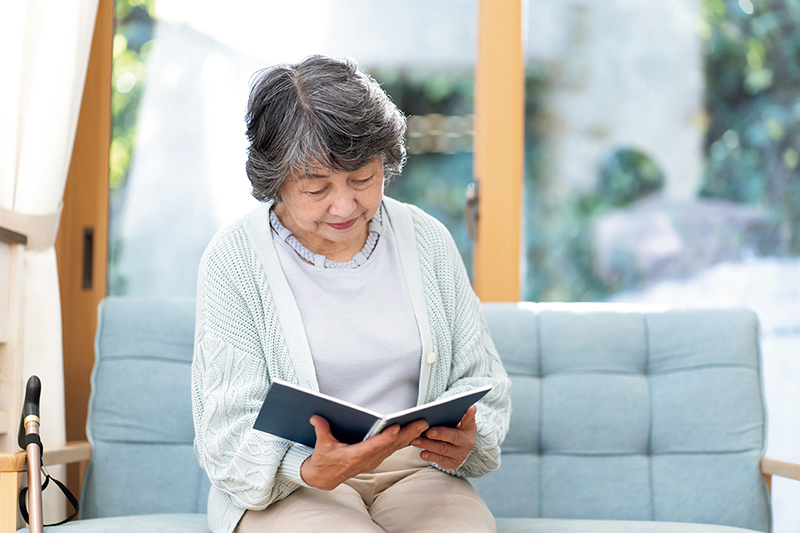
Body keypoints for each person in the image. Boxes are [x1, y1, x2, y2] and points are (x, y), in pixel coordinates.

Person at [191, 55, 511, 533]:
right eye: (316, 189)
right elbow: (225, 429)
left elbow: (480, 379)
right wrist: (305, 468)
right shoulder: (234, 259)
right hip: (292, 483)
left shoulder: (425, 239)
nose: (345, 205)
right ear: (274, 182)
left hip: (414, 471)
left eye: (363, 179)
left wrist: (469, 436)